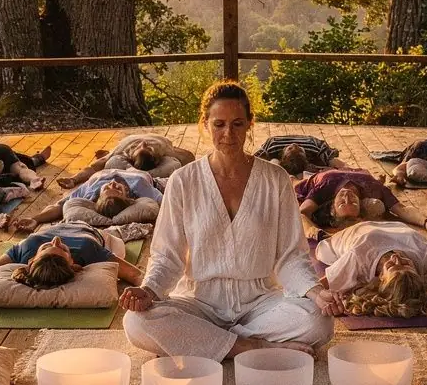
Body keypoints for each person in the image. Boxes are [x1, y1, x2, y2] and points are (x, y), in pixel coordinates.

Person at [120, 80, 337, 360]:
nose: (228, 134)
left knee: (318, 321)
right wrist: (149, 291)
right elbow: (167, 255)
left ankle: (205, 342)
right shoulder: (183, 180)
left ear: (249, 124)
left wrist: (316, 292)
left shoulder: (276, 179)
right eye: (219, 124)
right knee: (136, 322)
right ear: (205, 124)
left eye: (237, 124)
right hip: (199, 302)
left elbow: (291, 255)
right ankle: (250, 347)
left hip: (260, 303)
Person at [0, 219, 143, 307]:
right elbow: (135, 275)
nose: (56, 240)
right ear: (73, 263)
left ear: (31, 259)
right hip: (90, 227)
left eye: (49, 247)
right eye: (63, 249)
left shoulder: (29, 246)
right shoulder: (88, 250)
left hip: (56, 222)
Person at [315, 217, 427, 315]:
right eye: (406, 264)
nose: (397, 258)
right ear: (416, 270)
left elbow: (315, 287)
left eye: (392, 266)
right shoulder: (422, 255)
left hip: (345, 237)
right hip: (390, 224)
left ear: (380, 277)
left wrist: (328, 303)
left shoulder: (359, 257)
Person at [295, 168, 427, 235]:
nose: (347, 196)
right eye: (353, 203)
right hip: (353, 171)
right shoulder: (374, 189)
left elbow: (302, 213)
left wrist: (314, 232)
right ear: (361, 204)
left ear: (332, 207)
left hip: (316, 178)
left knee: (292, 182)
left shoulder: (325, 187)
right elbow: (401, 209)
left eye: (342, 203)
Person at [4, 170, 162, 234]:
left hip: (106, 169)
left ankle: (76, 178)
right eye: (116, 189)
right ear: (127, 194)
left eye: (109, 188)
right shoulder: (139, 186)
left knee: (98, 165)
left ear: (98, 196)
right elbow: (164, 202)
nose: (113, 183)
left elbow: (60, 206)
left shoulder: (90, 193)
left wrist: (35, 219)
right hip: (131, 169)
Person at [57, 134, 194, 189]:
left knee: (105, 159)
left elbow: (188, 157)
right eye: (143, 147)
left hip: (155, 140)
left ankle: (107, 153)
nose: (144, 143)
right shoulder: (123, 151)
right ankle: (107, 153)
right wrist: (74, 179)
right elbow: (93, 167)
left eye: (146, 147)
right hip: (129, 140)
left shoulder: (163, 151)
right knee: (104, 160)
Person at [253, 134, 339, 176]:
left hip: (278, 154)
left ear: (282, 155)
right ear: (306, 156)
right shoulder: (315, 146)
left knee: (273, 162)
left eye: (290, 149)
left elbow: (254, 161)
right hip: (309, 141)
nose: (294, 145)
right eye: (300, 150)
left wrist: (274, 164)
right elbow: (333, 161)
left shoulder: (272, 144)